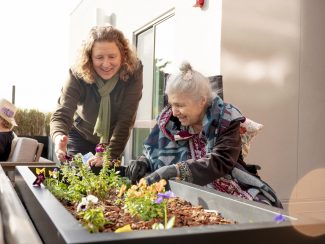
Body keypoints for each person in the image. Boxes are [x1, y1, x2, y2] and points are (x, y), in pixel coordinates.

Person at [125, 62, 282, 208]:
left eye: (180, 105)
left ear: (201, 101)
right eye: (172, 104)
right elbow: (151, 150)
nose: (174, 112)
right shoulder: (167, 121)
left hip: (223, 181)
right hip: (179, 188)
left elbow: (220, 161)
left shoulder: (226, 119)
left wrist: (172, 170)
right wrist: (142, 162)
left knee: (261, 207)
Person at [50, 25, 143, 166]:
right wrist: (58, 138)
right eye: (99, 57)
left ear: (123, 55)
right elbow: (62, 112)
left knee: (106, 182)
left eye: (112, 56)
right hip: (80, 134)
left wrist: (109, 156)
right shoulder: (77, 72)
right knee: (78, 178)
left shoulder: (133, 71)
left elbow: (126, 119)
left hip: (113, 139)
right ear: (90, 57)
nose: (106, 64)